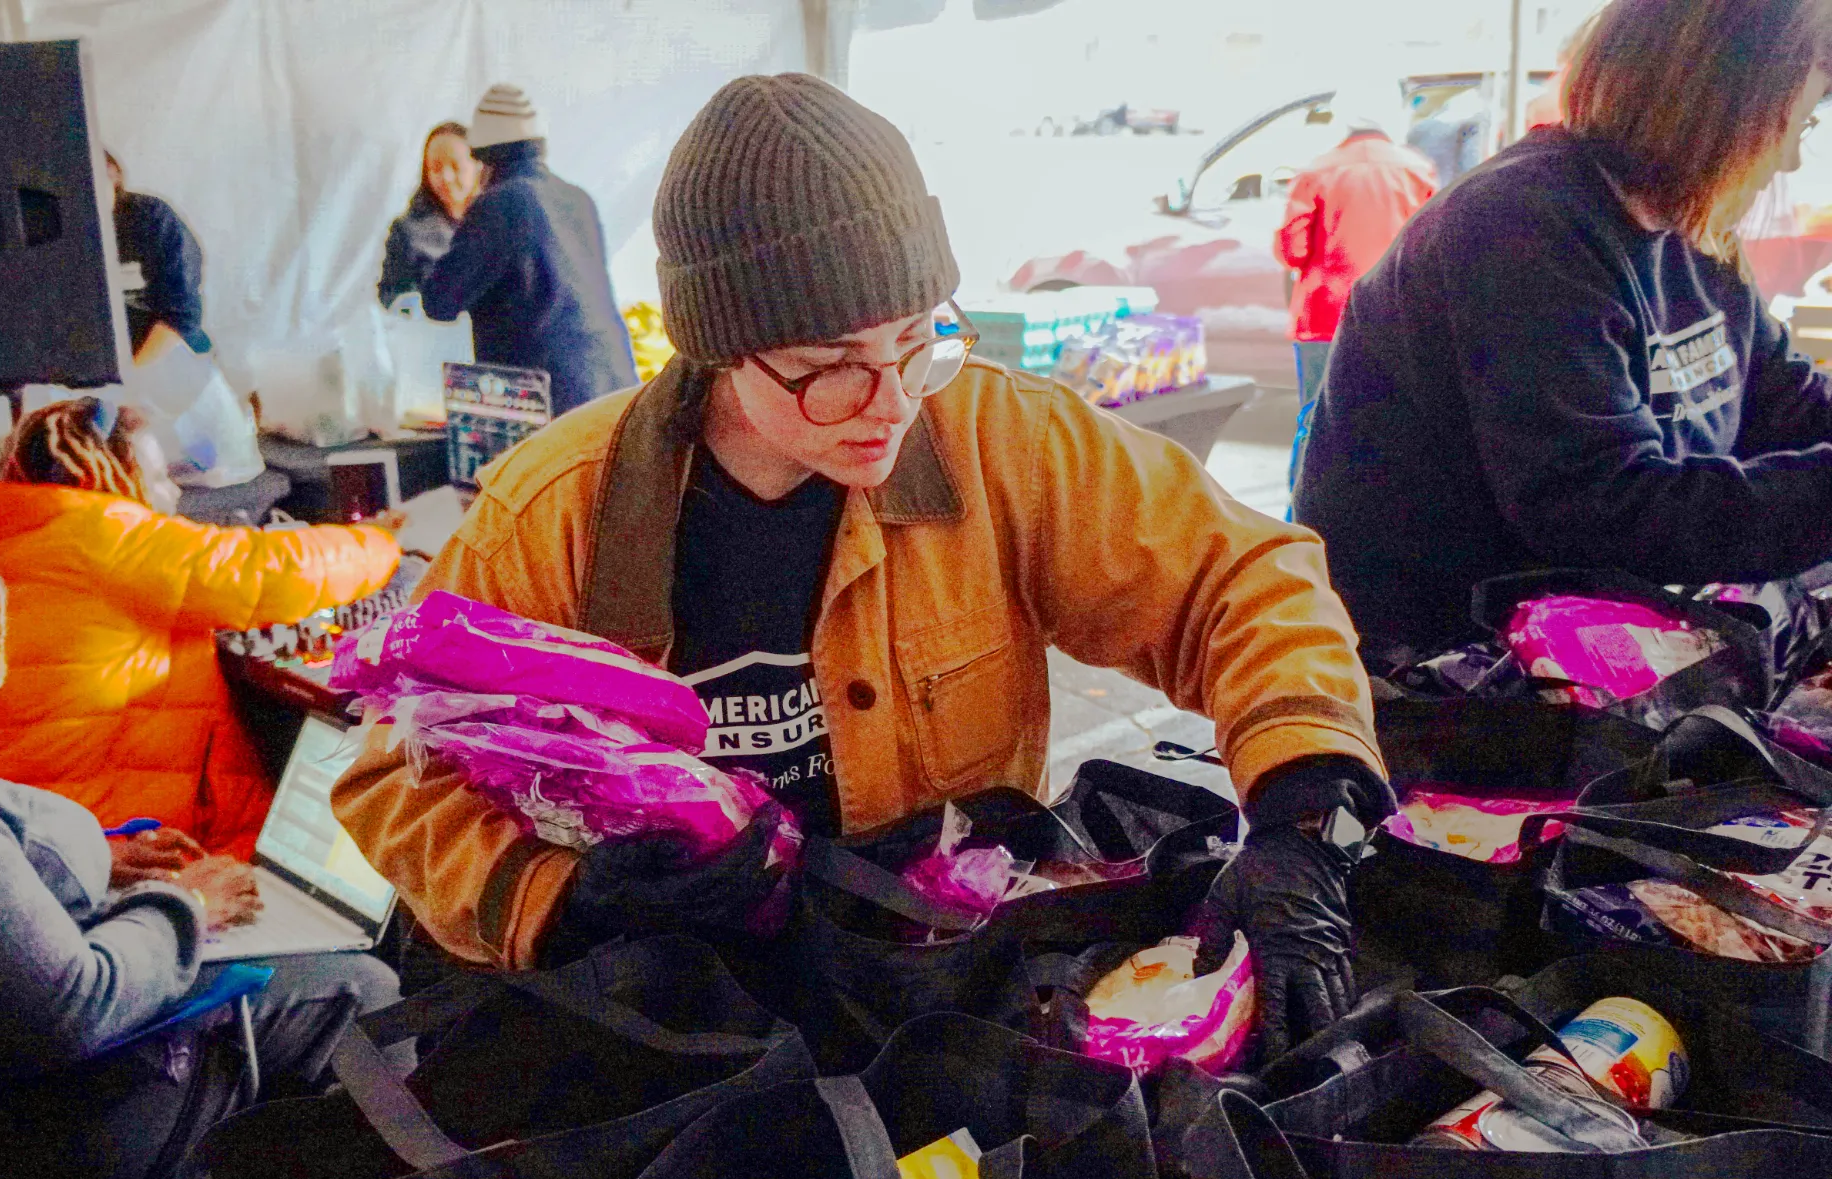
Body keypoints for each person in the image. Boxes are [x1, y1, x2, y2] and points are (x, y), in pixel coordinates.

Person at [338, 73, 1394, 1058]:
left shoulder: (998, 443)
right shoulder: (554, 512)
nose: (891, 403)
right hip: (674, 1030)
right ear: (720, 345)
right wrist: (562, 900)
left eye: (914, 341)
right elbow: (394, 777)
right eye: (831, 367)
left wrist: (1304, 816)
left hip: (938, 999)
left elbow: (1239, 582)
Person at [1294, 0, 1832, 666]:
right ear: (1717, 107)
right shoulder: (1519, 225)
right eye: (1795, 124)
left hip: (1594, 643)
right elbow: (1599, 507)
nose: (1790, 159)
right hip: (1444, 666)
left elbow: (1785, 401)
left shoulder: (1693, 228)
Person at [0, 524, 397, 1179]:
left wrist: (96, 862)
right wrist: (186, 905)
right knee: (362, 989)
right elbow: (71, 1005)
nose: (1, 676)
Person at [0, 398, 401, 860]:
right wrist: (381, 540)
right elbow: (269, 572)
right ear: (107, 476)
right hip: (112, 847)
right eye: (159, 477)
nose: (174, 493)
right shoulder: (109, 536)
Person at [421, 84, 638, 415]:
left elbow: (439, 301)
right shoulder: (577, 198)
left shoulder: (501, 204)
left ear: (483, 156)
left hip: (554, 402)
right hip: (615, 385)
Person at [1274, 92, 1438, 498]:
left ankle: (1302, 512)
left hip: (1323, 317)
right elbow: (1432, 246)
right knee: (1391, 420)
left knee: (1313, 418)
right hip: (1394, 314)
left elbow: (1292, 249)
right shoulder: (1417, 170)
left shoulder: (1317, 170)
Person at [106, 151, 211, 356]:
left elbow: (181, 314)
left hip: (165, 346)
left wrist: (131, 371)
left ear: (113, 173)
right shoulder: (58, 231)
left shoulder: (151, 219)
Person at [378, 122, 482, 308]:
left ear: (478, 166)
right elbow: (391, 294)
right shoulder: (408, 232)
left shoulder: (502, 223)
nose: (446, 177)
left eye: (455, 166)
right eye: (436, 167)